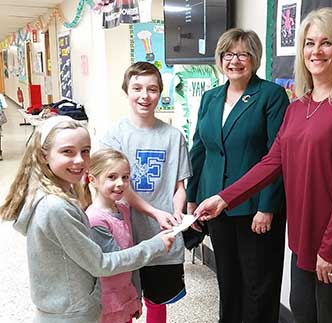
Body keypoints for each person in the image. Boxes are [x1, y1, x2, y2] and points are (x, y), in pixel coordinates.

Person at [195, 8, 332, 323]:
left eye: (326, 43)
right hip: (301, 239)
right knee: (302, 312)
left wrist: (330, 247)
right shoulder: (298, 107)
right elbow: (271, 162)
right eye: (309, 43)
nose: (316, 51)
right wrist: (224, 198)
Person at [0, 116, 174, 323]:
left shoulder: (53, 197)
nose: (80, 160)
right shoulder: (55, 207)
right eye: (67, 152)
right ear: (43, 155)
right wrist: (155, 246)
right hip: (71, 315)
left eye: (85, 151)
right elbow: (100, 263)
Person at [186, 28, 289, 323]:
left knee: (258, 284)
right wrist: (193, 197)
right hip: (215, 204)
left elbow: (277, 156)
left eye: (243, 53)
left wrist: (267, 207)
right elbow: (199, 149)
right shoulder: (210, 98)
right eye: (228, 54)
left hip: (255, 208)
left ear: (254, 58)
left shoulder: (270, 95)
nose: (235, 60)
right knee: (227, 279)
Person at [100, 61, 192, 323]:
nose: (145, 95)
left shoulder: (173, 136)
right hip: (123, 234)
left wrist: (176, 215)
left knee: (156, 300)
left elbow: (179, 187)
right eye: (137, 88)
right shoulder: (114, 136)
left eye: (152, 89)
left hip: (161, 234)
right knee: (121, 301)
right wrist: (154, 212)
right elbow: (118, 189)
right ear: (126, 91)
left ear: (160, 93)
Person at [86, 148, 143, 323]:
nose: (120, 183)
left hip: (125, 293)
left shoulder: (124, 209)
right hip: (107, 302)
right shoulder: (95, 220)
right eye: (112, 177)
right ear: (93, 180)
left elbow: (131, 259)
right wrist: (153, 248)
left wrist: (137, 297)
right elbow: (117, 261)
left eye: (125, 177)